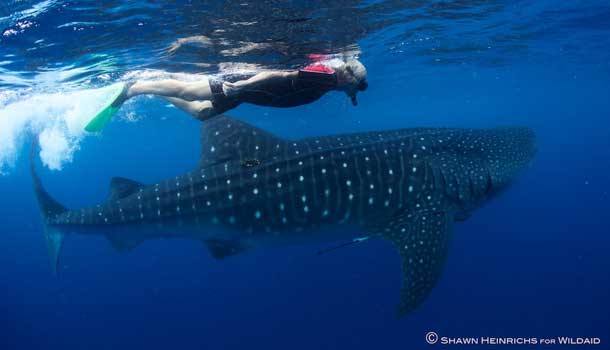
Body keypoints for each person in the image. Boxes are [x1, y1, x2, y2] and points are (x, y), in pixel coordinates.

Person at [110, 57, 368, 122]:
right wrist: (243, 84)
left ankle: (159, 85)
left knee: (203, 114)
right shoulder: (322, 75)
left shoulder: (339, 83)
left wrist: (353, 95)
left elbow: (351, 89)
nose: (354, 88)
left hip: (250, 95)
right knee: (189, 93)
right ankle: (135, 87)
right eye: (354, 84)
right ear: (345, 74)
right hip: (245, 85)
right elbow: (279, 74)